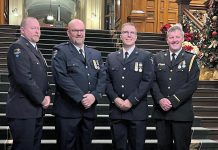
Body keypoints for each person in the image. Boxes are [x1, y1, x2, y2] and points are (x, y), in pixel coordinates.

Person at [51, 19, 106, 150]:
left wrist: (95, 96)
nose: (79, 33)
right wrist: (81, 97)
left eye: (82, 30)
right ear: (68, 33)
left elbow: (103, 78)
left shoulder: (95, 54)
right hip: (67, 111)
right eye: (75, 30)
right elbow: (61, 78)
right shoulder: (60, 51)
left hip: (88, 112)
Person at [105, 22, 154, 150]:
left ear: (136, 36)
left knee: (137, 146)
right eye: (125, 32)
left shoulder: (145, 56)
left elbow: (147, 81)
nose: (129, 35)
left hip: (137, 111)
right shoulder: (111, 57)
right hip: (117, 111)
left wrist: (131, 101)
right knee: (118, 146)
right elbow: (106, 81)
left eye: (132, 33)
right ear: (120, 36)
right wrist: (116, 99)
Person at [150, 24, 200, 150]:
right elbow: (152, 82)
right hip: (161, 113)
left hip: (182, 114)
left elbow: (192, 84)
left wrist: (172, 101)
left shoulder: (191, 59)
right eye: (171, 37)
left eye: (177, 37)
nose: (174, 40)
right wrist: (160, 99)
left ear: (183, 39)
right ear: (167, 40)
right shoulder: (157, 58)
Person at [6, 17, 51, 150]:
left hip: (35, 111)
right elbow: (24, 79)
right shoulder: (18, 48)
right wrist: (42, 99)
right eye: (33, 28)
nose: (37, 31)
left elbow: (42, 76)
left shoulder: (35, 50)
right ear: (22, 30)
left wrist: (48, 94)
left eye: (38, 28)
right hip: (23, 110)